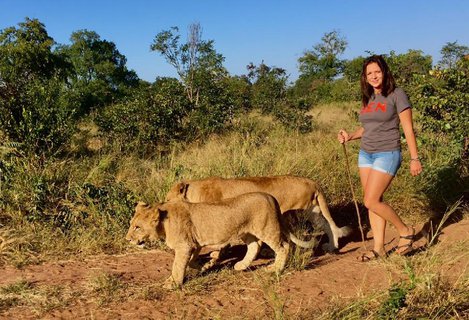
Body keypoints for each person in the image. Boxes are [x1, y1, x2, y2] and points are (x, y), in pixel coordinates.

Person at [338, 55, 422, 261]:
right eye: (369, 74)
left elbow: (408, 129)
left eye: (377, 71)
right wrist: (350, 136)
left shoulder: (397, 94)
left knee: (370, 200)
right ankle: (379, 248)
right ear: (365, 78)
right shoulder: (369, 98)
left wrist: (414, 158)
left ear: (385, 72)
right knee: (373, 202)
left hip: (388, 153)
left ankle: (405, 230)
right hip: (366, 153)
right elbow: (368, 127)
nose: (374, 76)